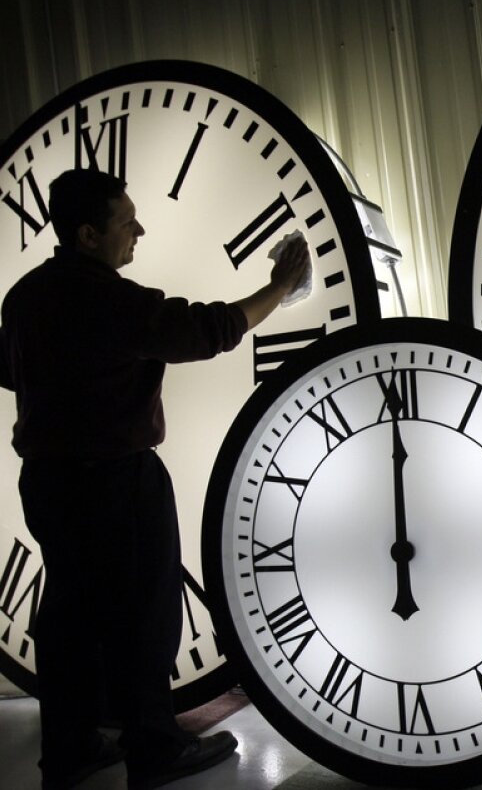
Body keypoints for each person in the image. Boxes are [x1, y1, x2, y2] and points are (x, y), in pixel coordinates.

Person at [0, 168, 311, 790]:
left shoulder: (25, 297)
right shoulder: (110, 301)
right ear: (88, 234)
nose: (138, 230)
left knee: (70, 615)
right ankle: (153, 749)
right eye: (125, 221)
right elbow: (208, 330)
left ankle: (70, 747)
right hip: (118, 480)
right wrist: (281, 285)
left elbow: (14, 371)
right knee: (144, 616)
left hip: (48, 480)